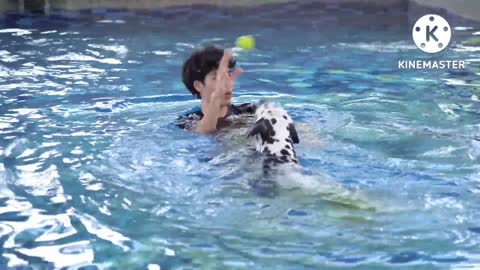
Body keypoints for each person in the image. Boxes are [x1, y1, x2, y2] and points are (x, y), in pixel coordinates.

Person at [177, 46, 257, 133]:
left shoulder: (251, 112)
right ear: (198, 86)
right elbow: (203, 135)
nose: (227, 82)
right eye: (218, 78)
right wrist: (215, 100)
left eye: (229, 74)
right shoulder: (186, 121)